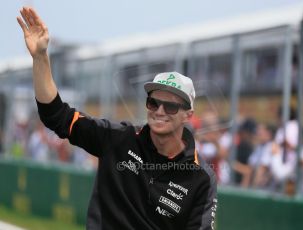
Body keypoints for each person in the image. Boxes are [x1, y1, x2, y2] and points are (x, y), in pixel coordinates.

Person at [17, 7, 217, 230]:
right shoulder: (119, 138)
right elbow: (56, 115)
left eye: (170, 106)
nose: (159, 110)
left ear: (188, 115)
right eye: (153, 102)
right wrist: (41, 57)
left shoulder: (201, 178)